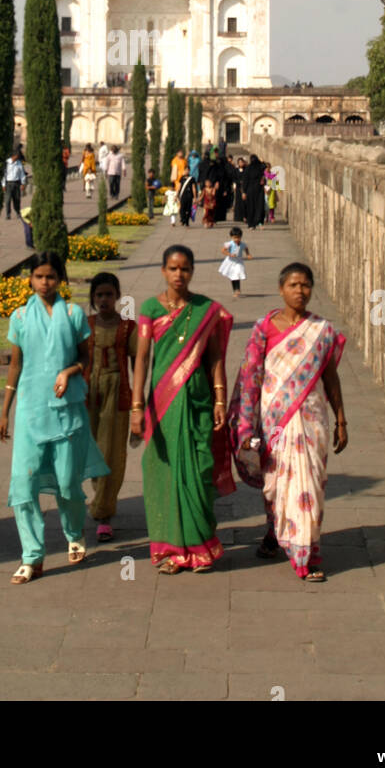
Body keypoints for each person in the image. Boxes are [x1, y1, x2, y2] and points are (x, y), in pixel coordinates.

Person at [227, 263, 347, 581]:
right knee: (276, 482)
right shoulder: (264, 328)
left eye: (306, 285)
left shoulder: (321, 331)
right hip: (275, 421)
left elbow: (330, 377)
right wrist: (245, 424)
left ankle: (306, 555)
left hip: (311, 421)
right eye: (293, 285)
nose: (300, 291)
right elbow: (251, 376)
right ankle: (274, 531)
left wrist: (341, 420)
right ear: (281, 289)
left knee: (308, 485)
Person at [0, 251, 109, 584]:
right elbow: (16, 365)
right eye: (39, 277)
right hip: (30, 412)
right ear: (30, 280)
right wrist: (5, 411)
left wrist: (68, 371)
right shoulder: (19, 317)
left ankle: (74, 533)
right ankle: (32, 556)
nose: (44, 283)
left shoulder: (74, 314)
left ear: (60, 279)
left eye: (50, 277)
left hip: (66, 413)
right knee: (23, 483)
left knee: (67, 483)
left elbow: (85, 360)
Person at [130, 245, 235, 572]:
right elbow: (143, 359)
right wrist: (136, 406)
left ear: (192, 271)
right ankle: (173, 552)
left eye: (185, 268)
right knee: (166, 473)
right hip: (162, 405)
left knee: (200, 470)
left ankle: (201, 547)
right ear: (163, 270)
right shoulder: (149, 308)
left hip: (199, 402)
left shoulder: (206, 310)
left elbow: (215, 357)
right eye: (173, 268)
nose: (179, 274)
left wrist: (220, 399)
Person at [83, 272, 138, 543]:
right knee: (90, 450)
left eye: (109, 294)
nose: (104, 299)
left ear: (117, 296)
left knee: (110, 452)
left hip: (117, 394)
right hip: (88, 393)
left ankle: (104, 512)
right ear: (93, 298)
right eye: (99, 295)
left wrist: (139, 401)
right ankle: (96, 496)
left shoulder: (128, 327)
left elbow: (137, 364)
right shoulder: (85, 325)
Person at [218, 226, 252, 298]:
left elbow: (246, 248)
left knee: (237, 274)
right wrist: (229, 254)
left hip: (238, 262)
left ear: (241, 237)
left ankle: (238, 289)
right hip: (230, 262)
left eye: (238, 238)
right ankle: (235, 290)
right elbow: (223, 250)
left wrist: (248, 254)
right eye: (234, 238)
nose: (236, 239)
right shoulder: (230, 244)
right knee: (233, 276)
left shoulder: (242, 244)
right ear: (231, 237)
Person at [242, 153, 266, 229]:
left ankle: (251, 224)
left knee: (251, 207)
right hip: (258, 190)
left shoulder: (248, 168)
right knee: (259, 206)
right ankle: (259, 222)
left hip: (250, 190)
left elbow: (245, 181)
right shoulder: (260, 167)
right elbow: (264, 166)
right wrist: (261, 161)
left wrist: (244, 192)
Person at [2, 150, 26, 219]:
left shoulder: (19, 163)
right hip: (8, 184)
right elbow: (4, 175)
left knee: (17, 199)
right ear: (13, 156)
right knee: (8, 200)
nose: (18, 157)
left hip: (16, 183)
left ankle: (18, 212)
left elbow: (22, 174)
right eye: (17, 156)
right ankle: (8, 214)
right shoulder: (7, 163)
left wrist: (23, 183)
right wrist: (3, 184)